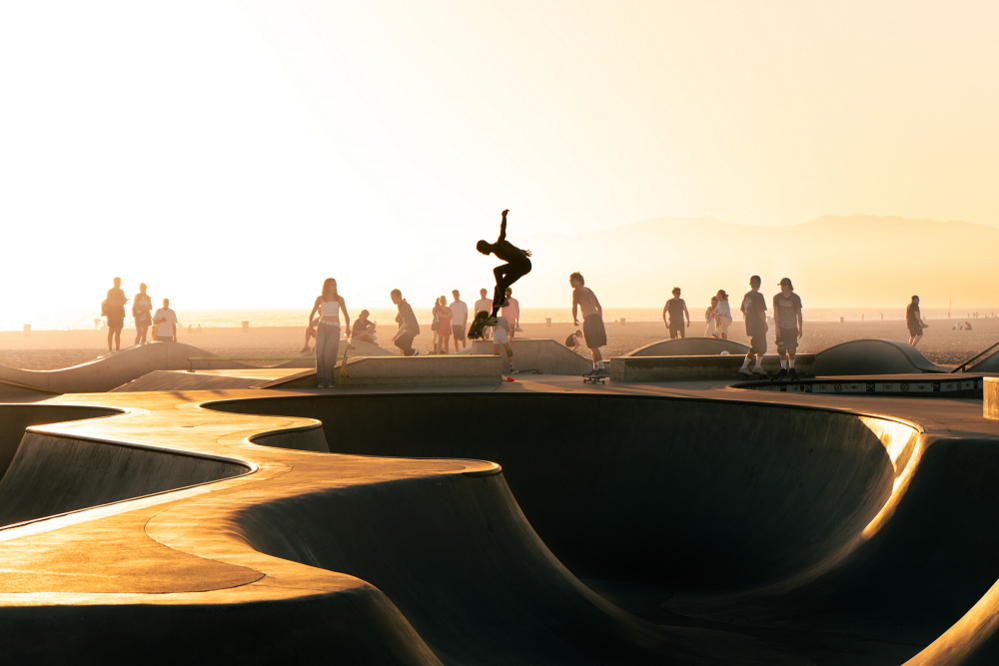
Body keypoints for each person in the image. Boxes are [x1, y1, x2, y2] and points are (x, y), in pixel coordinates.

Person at [476, 209, 532, 321]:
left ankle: (502, 299)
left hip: (523, 264)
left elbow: (503, 230)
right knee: (498, 287)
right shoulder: (497, 250)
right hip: (518, 266)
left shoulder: (499, 244)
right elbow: (512, 251)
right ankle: (494, 315)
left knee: (497, 271)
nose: (483, 254)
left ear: (485, 246)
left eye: (482, 251)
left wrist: (504, 217)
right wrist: (521, 252)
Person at [308, 278, 350, 389]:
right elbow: (311, 314)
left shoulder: (340, 299)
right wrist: (310, 325)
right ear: (327, 286)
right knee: (320, 353)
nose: (334, 287)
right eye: (332, 285)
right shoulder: (320, 299)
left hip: (335, 327)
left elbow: (346, 315)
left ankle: (330, 381)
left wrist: (348, 327)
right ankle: (321, 382)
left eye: (335, 285)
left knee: (328, 354)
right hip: (322, 326)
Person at [570, 272, 608, 377]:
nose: (571, 283)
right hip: (596, 318)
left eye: (573, 280)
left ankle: (601, 368)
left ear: (578, 281)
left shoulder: (576, 291)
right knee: (592, 346)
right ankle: (595, 368)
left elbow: (574, 306)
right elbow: (599, 307)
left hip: (590, 319)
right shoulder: (589, 290)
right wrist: (599, 320)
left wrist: (574, 318)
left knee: (593, 345)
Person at [772, 277, 804, 377]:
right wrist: (776, 326)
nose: (782, 287)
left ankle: (792, 368)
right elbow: (776, 313)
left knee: (791, 349)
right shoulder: (777, 298)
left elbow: (799, 313)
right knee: (781, 349)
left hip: (792, 327)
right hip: (781, 326)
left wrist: (800, 327)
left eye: (784, 285)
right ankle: (783, 369)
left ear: (789, 286)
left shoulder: (795, 298)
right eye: (781, 285)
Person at [739, 275, 768, 376]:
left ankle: (757, 367)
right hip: (758, 325)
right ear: (759, 285)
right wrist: (765, 323)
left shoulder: (747, 295)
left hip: (750, 324)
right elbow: (760, 311)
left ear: (750, 284)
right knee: (756, 346)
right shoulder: (759, 296)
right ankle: (744, 367)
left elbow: (743, 309)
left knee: (760, 346)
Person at [391, 289, 420, 357]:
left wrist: (396, 335)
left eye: (394, 298)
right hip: (409, 329)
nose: (393, 300)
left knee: (398, 342)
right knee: (407, 353)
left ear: (399, 297)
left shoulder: (404, 306)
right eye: (392, 298)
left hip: (412, 329)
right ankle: (413, 356)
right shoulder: (400, 306)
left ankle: (415, 352)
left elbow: (406, 322)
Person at [104, 277, 128, 353]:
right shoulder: (110, 292)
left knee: (118, 331)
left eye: (120, 282)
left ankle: (117, 348)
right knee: (111, 331)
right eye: (118, 282)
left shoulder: (121, 291)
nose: (119, 283)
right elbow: (111, 302)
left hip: (120, 313)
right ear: (114, 282)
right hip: (112, 313)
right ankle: (110, 349)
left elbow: (124, 302)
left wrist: (122, 301)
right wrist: (120, 301)